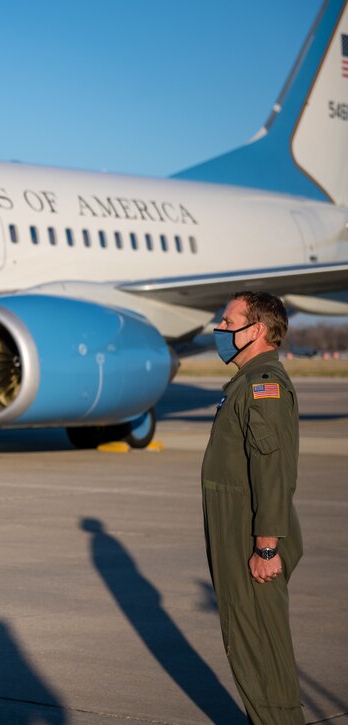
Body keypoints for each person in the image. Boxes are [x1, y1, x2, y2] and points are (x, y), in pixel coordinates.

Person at [201, 290, 303, 724]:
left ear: (256, 330)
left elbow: (271, 469)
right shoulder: (245, 383)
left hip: (252, 542)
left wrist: (266, 547)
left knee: (261, 651)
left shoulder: (265, 386)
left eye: (228, 323)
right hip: (237, 535)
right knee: (246, 647)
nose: (220, 330)